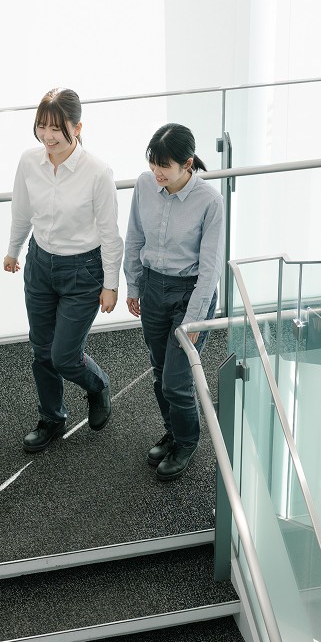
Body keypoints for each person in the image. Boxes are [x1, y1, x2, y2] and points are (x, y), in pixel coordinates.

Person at [4, 87, 123, 453]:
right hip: (40, 264)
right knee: (41, 350)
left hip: (82, 271)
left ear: (77, 127)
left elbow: (110, 234)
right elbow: (22, 211)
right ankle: (51, 417)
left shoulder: (97, 172)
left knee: (65, 356)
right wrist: (13, 250)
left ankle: (98, 385)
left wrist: (111, 284)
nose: (48, 135)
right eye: (42, 126)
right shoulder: (29, 161)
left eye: (56, 127)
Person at [124, 124, 225, 481]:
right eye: (153, 163)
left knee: (176, 380)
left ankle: (186, 442)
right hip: (153, 287)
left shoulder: (210, 201)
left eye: (164, 165)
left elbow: (211, 269)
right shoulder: (144, 185)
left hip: (189, 294)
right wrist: (133, 284)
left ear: (187, 163)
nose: (156, 172)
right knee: (159, 370)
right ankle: (173, 431)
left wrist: (194, 318)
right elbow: (134, 237)